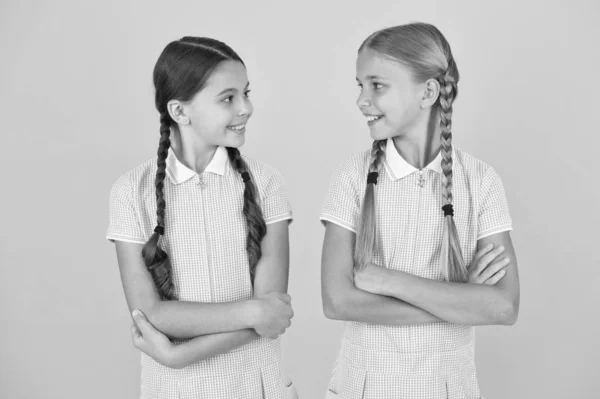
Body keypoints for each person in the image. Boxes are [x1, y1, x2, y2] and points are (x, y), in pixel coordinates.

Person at [320, 22, 519, 398]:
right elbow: (337, 301)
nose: (362, 99)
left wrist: (392, 282)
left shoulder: (480, 180)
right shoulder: (351, 177)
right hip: (362, 388)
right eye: (360, 85)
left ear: (428, 91)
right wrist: (462, 299)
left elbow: (503, 307)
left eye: (377, 85)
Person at [107, 36, 297, 399]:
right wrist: (252, 312)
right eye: (228, 98)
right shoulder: (131, 191)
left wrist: (179, 355)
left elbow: (272, 315)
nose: (246, 108)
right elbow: (150, 313)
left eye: (246, 93)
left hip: (258, 385)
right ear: (180, 112)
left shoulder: (267, 183)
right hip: (173, 391)